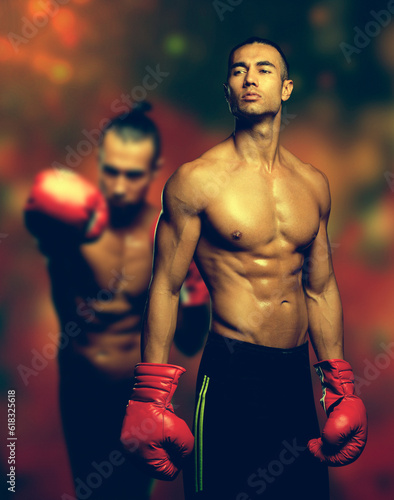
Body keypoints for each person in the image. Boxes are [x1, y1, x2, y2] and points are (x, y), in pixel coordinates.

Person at [121, 39, 368, 500]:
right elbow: (164, 287)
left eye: (264, 69)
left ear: (287, 88)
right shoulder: (196, 181)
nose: (250, 78)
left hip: (295, 378)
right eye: (238, 71)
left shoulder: (312, 184)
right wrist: (149, 395)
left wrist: (339, 388)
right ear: (228, 91)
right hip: (232, 376)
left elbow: (320, 287)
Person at [24, 102, 209, 500]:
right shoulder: (69, 224)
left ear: (154, 169)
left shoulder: (164, 234)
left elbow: (192, 340)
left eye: (133, 174)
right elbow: (35, 212)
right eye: (111, 171)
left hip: (139, 395)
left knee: (132, 496)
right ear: (100, 160)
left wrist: (193, 288)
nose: (120, 185)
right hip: (82, 388)